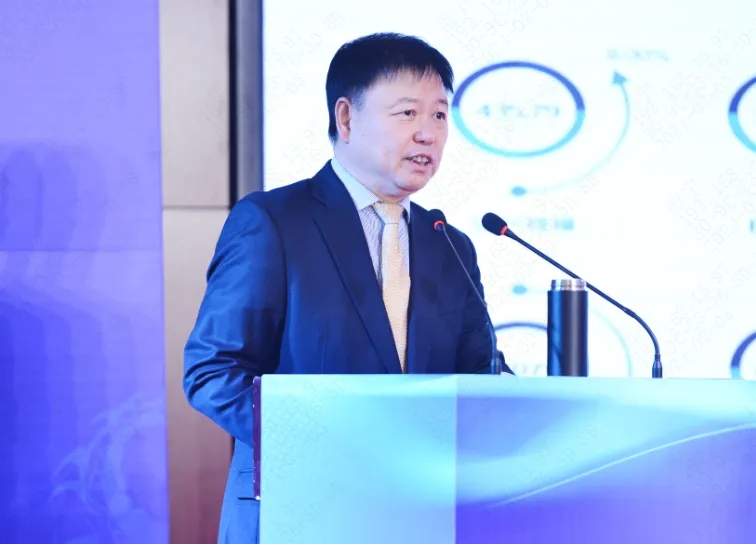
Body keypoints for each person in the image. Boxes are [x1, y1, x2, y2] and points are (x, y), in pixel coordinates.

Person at [183, 32, 512, 544]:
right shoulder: (274, 222)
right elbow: (213, 371)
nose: (428, 133)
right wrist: (330, 443)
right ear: (346, 118)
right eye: (407, 113)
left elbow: (480, 375)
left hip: (419, 516)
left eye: (440, 115)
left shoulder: (449, 244)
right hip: (301, 509)